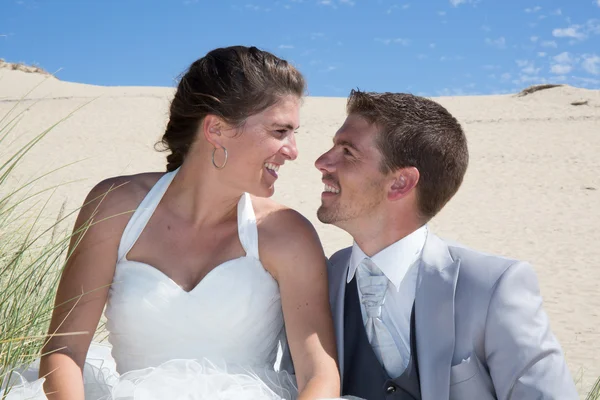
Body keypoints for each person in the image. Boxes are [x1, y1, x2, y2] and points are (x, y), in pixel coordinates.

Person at [6, 46, 341, 400]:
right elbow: (65, 351)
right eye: (279, 131)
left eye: (294, 134)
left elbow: (319, 374)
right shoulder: (115, 207)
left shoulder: (288, 233)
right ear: (216, 129)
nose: (293, 150)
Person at [312, 90, 578, 399]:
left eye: (347, 151)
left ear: (400, 183)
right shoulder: (320, 278)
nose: (321, 162)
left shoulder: (493, 287)